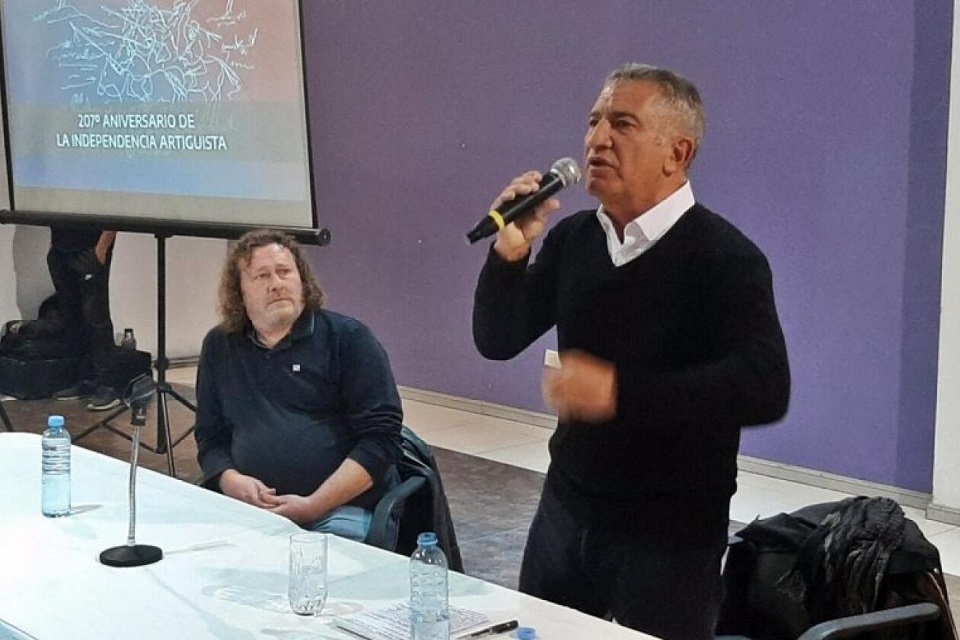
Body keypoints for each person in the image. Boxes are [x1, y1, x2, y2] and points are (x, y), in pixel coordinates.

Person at [472, 63, 791, 639]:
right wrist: (509, 256)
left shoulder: (726, 258)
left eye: (622, 124)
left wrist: (619, 392)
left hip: (670, 527)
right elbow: (497, 341)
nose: (596, 139)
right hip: (568, 504)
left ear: (677, 152)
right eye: (593, 122)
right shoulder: (575, 240)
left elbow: (764, 385)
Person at [193, 229, 403, 543]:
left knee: (323, 569)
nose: (276, 284)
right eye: (262, 276)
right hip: (249, 509)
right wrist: (229, 479)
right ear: (239, 293)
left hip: (339, 508)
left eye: (284, 272)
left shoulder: (348, 339)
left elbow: (381, 441)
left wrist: (313, 505)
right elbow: (210, 437)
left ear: (302, 281)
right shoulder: (219, 345)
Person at [48, 225, 121, 411]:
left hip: (89, 250)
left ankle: (108, 386)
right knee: (72, 317)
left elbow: (114, 217)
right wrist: (52, 247)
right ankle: (86, 380)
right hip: (59, 249)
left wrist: (101, 249)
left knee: (96, 318)